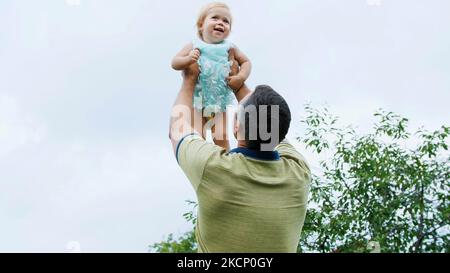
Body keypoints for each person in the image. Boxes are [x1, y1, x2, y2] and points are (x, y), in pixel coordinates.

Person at [168, 57, 311, 253]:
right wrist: (238, 84)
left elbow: (178, 128)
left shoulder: (213, 168)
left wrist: (189, 80)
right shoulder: (298, 173)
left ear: (236, 127)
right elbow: (269, 123)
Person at [171, 2, 251, 151]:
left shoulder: (229, 47)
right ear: (201, 25)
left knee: (221, 138)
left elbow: (246, 62)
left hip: (219, 103)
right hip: (198, 101)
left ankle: (225, 163)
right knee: (197, 136)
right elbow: (175, 62)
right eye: (215, 18)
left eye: (226, 21)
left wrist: (240, 77)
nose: (221, 22)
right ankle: (200, 158)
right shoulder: (195, 45)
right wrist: (188, 59)